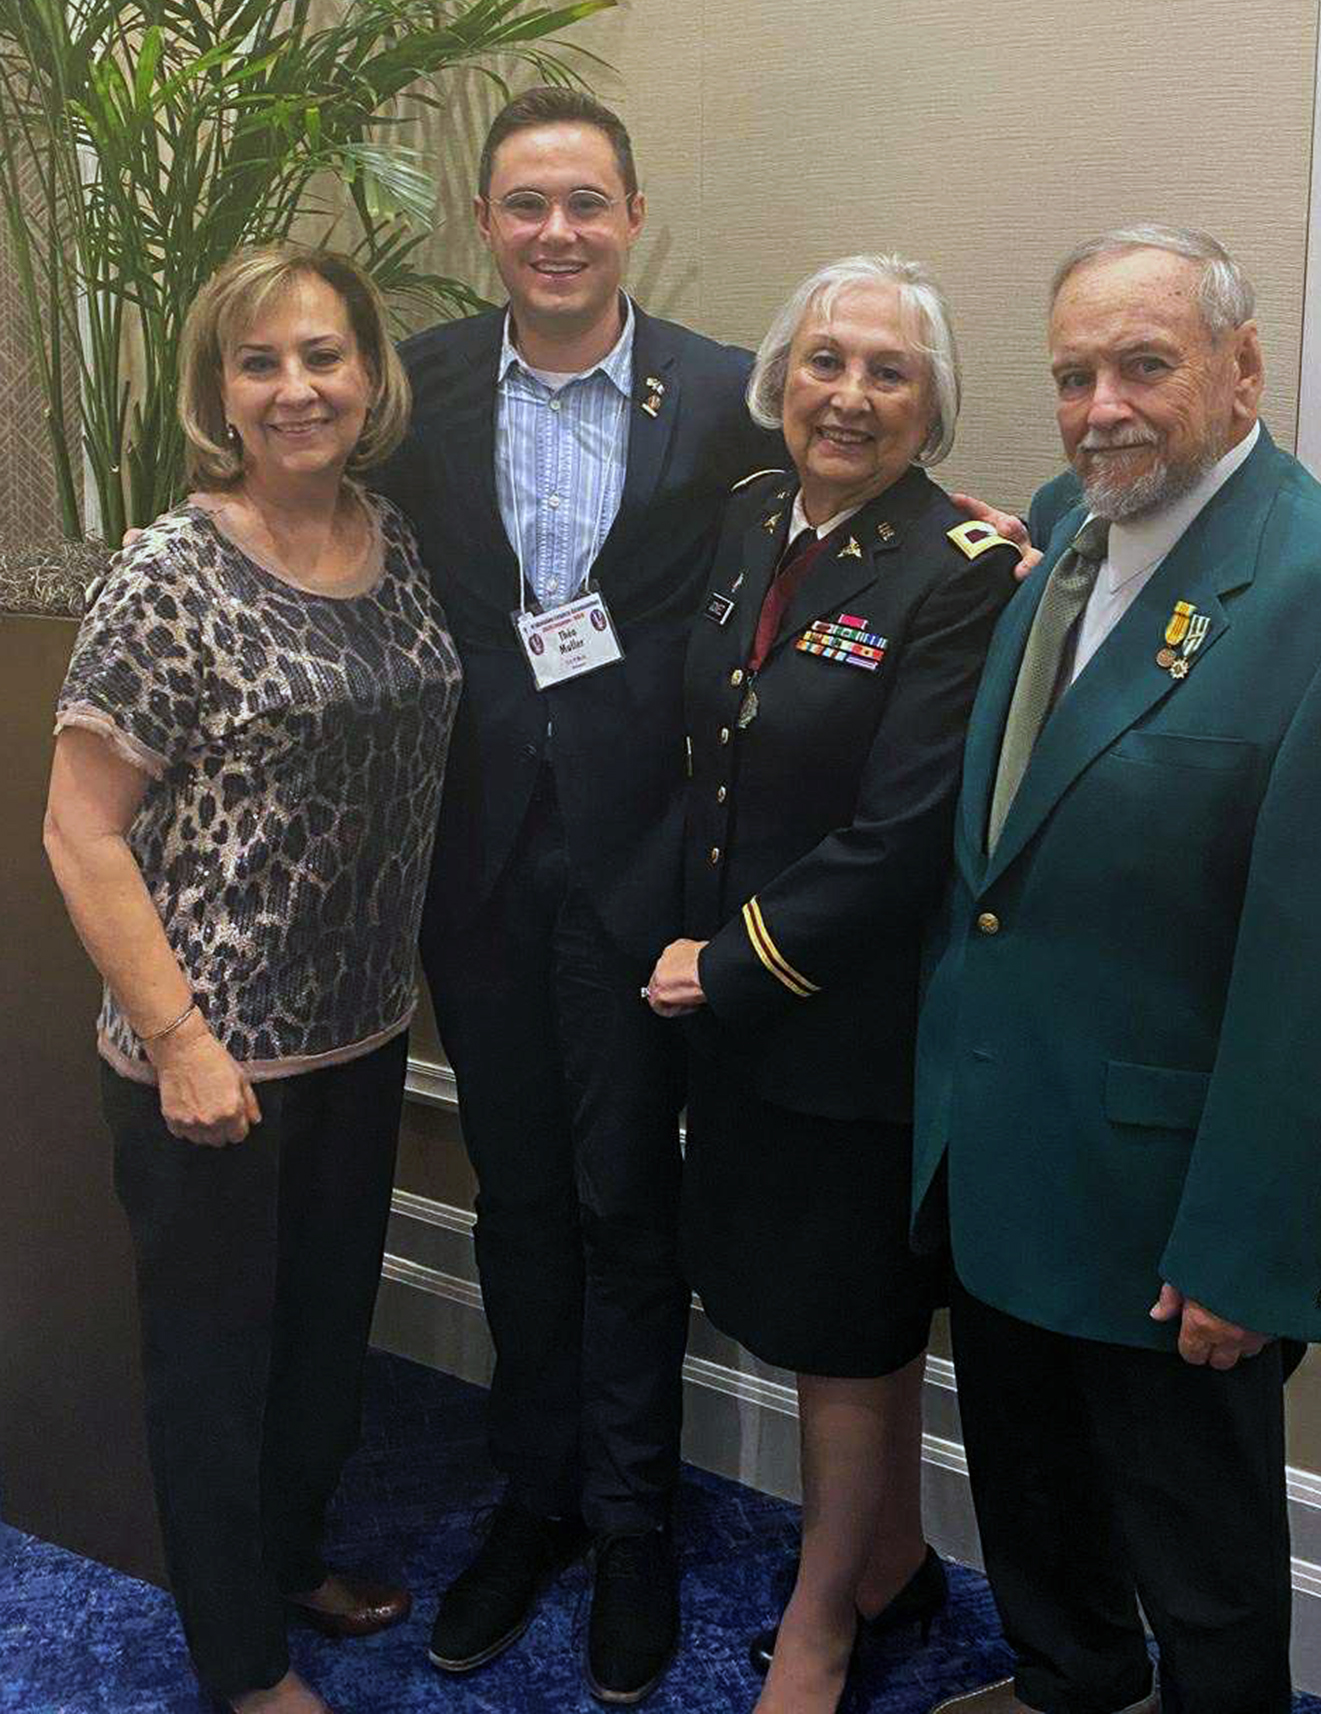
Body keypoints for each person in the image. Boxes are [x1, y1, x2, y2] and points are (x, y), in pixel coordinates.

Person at [913, 225, 1321, 1714]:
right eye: (1076, 373)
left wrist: (1252, 1253)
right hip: (1004, 1155)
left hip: (1173, 1219)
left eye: (1144, 365)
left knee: (1202, 1569)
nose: (1103, 407)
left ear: (1243, 367)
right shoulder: (1066, 530)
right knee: (1033, 1500)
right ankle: (1068, 1681)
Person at [377, 85, 780, 1702]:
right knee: (520, 1196)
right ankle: (532, 1494)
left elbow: (834, 517)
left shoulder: (728, 396)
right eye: (526, 203)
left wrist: (983, 553)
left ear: (632, 218)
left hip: (641, 869)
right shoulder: (416, 392)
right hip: (473, 865)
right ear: (488, 223)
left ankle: (633, 1525)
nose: (556, 230)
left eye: (586, 204)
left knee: (627, 1200)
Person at [43, 247, 463, 1714]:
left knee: (318, 1346)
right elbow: (77, 826)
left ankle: (285, 1558)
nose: (297, 387)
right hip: (207, 1050)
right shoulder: (169, 573)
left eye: (324, 355)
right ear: (220, 390)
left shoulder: (390, 536)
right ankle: (238, 1661)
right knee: (215, 1374)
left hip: (358, 1035)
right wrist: (179, 1039)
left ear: (369, 374)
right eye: (261, 362)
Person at [646, 255, 1020, 1714]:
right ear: (779, 380)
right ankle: (894, 1566)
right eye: (825, 361)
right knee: (801, 1301)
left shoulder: (960, 569)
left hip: (845, 1022)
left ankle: (820, 1626)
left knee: (850, 1333)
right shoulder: (747, 519)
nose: (848, 394)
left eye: (887, 371)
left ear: (931, 408)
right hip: (738, 1016)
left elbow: (901, 834)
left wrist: (730, 963)